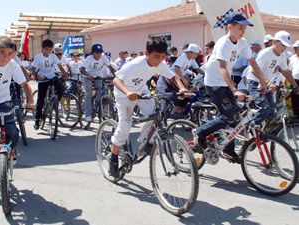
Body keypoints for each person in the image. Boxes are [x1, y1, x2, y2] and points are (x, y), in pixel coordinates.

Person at [192, 12, 267, 164]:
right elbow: (223, 68)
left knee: (236, 118)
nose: (243, 30)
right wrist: (235, 90)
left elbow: (252, 62)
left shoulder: (243, 42)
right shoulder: (223, 43)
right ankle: (199, 132)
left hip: (225, 83)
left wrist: (264, 81)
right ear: (229, 27)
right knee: (228, 116)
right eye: (240, 27)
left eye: (244, 28)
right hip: (214, 83)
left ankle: (227, 149)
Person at [109, 36, 188, 178]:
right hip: (123, 93)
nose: (160, 60)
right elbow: (116, 79)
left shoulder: (160, 64)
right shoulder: (135, 64)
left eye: (163, 57)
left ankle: (144, 142)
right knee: (125, 126)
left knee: (154, 116)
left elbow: (173, 76)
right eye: (157, 57)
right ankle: (113, 157)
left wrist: (182, 88)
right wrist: (127, 92)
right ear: (146, 53)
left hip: (142, 90)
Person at [247, 31, 299, 125]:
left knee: (272, 110)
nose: (284, 48)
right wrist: (269, 83)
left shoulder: (282, 56)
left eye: (286, 46)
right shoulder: (266, 53)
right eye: (282, 45)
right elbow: (254, 71)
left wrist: (295, 85)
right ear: (274, 42)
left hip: (266, 82)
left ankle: (267, 135)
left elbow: (286, 72)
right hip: (254, 81)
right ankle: (252, 127)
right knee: (266, 108)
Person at [0, 36, 34, 158]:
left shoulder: (13, 65)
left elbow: (25, 85)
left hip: (4, 101)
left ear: (14, 55)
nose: (5, 57)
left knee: (12, 131)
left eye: (10, 54)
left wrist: (30, 100)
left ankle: (10, 150)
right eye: (2, 52)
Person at [31, 39, 69, 130]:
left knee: (61, 90)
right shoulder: (38, 57)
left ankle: (54, 103)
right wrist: (36, 76)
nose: (48, 51)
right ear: (43, 49)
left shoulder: (53, 56)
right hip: (42, 78)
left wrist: (66, 75)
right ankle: (37, 119)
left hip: (52, 76)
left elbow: (60, 66)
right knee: (40, 100)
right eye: (46, 49)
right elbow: (33, 68)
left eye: (50, 49)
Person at [80, 44, 116, 123]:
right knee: (88, 95)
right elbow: (82, 70)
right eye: (97, 53)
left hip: (98, 76)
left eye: (100, 52)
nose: (99, 54)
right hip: (88, 76)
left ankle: (97, 109)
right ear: (93, 53)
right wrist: (88, 75)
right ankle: (88, 115)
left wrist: (116, 75)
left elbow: (110, 67)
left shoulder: (103, 58)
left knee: (100, 94)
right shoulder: (88, 59)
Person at [287, 40, 299, 117]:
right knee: (295, 99)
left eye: (296, 48)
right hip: (294, 81)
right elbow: (289, 71)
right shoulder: (292, 58)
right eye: (294, 48)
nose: (294, 50)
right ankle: (297, 117)